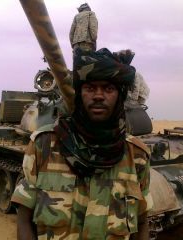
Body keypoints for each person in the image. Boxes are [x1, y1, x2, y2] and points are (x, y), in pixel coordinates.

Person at [12, 48, 153, 239]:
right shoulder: (44, 145)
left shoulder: (136, 155)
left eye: (108, 89)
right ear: (79, 94)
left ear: (120, 96)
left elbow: (142, 220)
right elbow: (24, 217)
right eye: (90, 88)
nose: (98, 95)